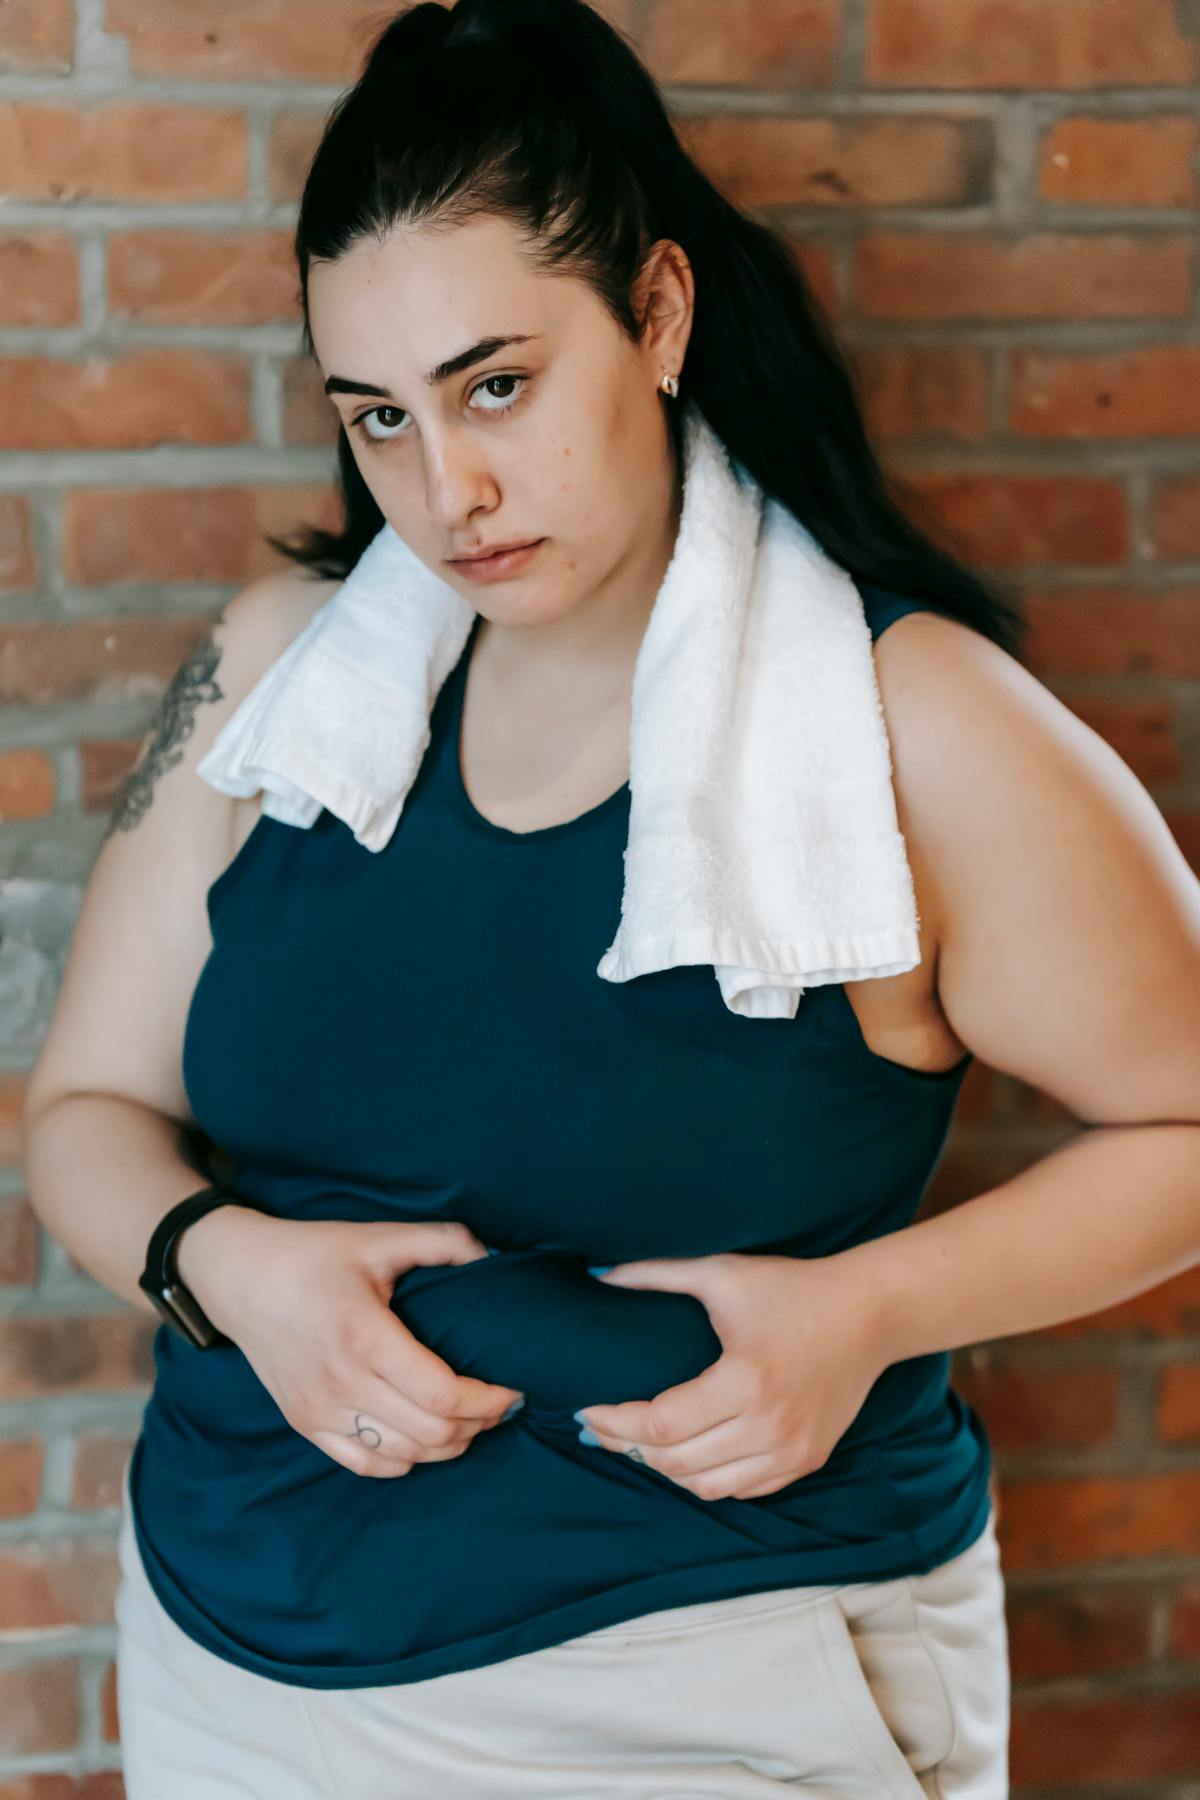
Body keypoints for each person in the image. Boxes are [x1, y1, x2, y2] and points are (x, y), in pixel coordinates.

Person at [21, 1, 1200, 1795]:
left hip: (701, 1677)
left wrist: (868, 1313)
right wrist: (226, 1268)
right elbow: (89, 1108)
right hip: (223, 1658)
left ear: (654, 315)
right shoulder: (278, 683)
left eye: (498, 385)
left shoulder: (913, 728)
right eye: (382, 421)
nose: (447, 491)